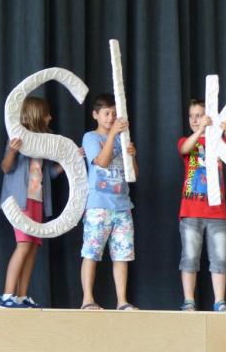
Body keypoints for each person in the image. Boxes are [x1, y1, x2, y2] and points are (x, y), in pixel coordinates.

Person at [0, 96, 65, 308]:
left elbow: (48, 175)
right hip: (20, 202)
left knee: (33, 247)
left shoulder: (45, 143)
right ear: (37, 116)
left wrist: (66, 164)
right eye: (47, 114)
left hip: (37, 202)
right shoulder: (17, 138)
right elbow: (6, 168)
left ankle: (21, 296)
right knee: (24, 245)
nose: (51, 117)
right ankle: (7, 295)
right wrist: (12, 151)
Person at [177, 98, 226, 312]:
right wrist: (199, 131)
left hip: (217, 212)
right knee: (190, 257)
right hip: (191, 210)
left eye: (199, 116)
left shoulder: (217, 141)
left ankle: (220, 301)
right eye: (191, 116)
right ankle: (189, 301)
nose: (194, 119)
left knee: (220, 259)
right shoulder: (187, 140)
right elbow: (185, 148)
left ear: (208, 117)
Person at [80, 93, 138, 310]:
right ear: (96, 115)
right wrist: (113, 135)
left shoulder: (123, 138)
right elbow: (101, 163)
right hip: (98, 205)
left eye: (114, 114)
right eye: (106, 113)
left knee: (122, 255)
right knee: (91, 252)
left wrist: (131, 155)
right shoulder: (90, 138)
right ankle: (87, 299)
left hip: (123, 205)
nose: (111, 118)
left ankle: (122, 301)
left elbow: (134, 175)